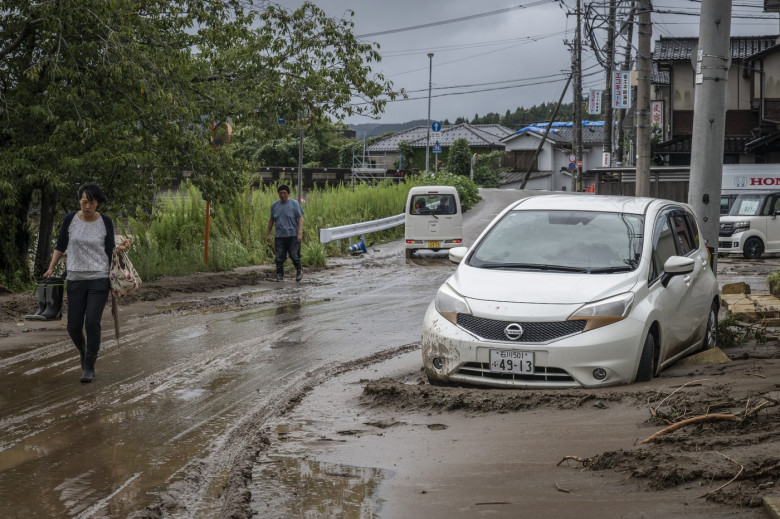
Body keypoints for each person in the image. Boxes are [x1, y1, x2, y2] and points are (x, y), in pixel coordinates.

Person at [43, 182, 131, 383]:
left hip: (98, 279)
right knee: (73, 326)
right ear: (79, 202)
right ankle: (84, 351)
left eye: (91, 202)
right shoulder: (70, 220)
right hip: (74, 279)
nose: (87, 206)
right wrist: (50, 267)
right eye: (84, 202)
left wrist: (119, 249)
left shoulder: (105, 222)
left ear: (97, 203)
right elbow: (60, 246)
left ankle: (89, 366)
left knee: (92, 321)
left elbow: (108, 249)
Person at [265, 184, 304, 282]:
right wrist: (268, 234)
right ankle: (279, 275)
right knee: (279, 257)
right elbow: (271, 220)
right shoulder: (274, 205)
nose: (282, 195)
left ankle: (299, 270)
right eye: (281, 193)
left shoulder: (294, 204)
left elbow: (300, 218)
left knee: (294, 255)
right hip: (279, 235)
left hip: (293, 235)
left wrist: (299, 233)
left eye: (284, 193)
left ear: (288, 193)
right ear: (278, 194)